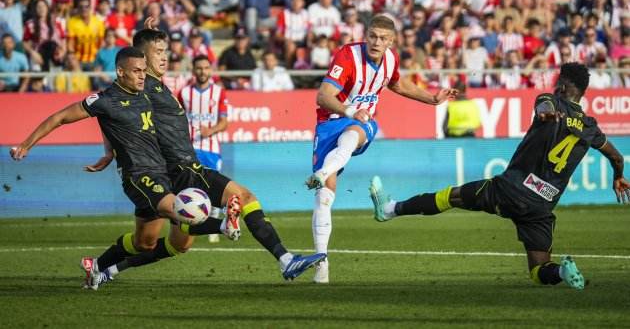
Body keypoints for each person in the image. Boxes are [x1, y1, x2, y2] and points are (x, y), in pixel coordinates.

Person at [81, 27, 326, 288]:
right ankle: (284, 259)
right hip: (178, 169)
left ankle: (105, 269)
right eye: (159, 52)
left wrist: (109, 149)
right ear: (141, 57)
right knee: (242, 198)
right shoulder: (140, 87)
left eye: (166, 51)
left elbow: (113, 113)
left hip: (186, 165)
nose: (166, 57)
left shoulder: (155, 85)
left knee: (170, 243)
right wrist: (111, 150)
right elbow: (109, 109)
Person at [369, 62, 630, 290]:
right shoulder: (590, 127)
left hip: (511, 190)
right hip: (541, 207)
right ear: (583, 92)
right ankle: (561, 271)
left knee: (451, 196)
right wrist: (618, 177)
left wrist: (544, 114)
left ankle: (390, 209)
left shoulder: (551, 101)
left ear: (561, 85)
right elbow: (617, 157)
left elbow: (544, 105)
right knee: (538, 271)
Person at [10, 47, 184, 289]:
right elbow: (59, 117)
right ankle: (220, 222)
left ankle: (96, 266)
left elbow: (114, 124)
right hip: (139, 176)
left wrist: (108, 151)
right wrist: (26, 145)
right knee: (184, 211)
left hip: (161, 171)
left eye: (144, 71)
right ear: (120, 71)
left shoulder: (144, 93)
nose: (143, 75)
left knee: (145, 243)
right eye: (137, 71)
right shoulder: (105, 100)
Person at [305, 15, 457, 283]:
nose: (376, 42)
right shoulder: (348, 56)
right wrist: (351, 110)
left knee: (354, 134)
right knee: (324, 197)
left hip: (361, 123)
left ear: (392, 41)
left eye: (383, 38)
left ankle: (325, 170)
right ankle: (322, 265)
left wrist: (431, 99)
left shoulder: (390, 60)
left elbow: (398, 84)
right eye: (372, 36)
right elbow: (323, 96)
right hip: (330, 122)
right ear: (366, 34)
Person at [180, 55, 228, 171]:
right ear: (193, 70)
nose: (203, 72)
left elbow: (224, 123)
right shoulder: (184, 93)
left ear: (210, 70)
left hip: (212, 150)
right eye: (199, 68)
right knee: (190, 187)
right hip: (190, 150)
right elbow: (177, 121)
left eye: (206, 68)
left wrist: (210, 131)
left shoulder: (219, 92)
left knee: (212, 187)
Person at [67, 0, 106, 69]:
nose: (83, 9)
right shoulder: (72, 22)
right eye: (81, 7)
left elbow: (101, 43)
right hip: (78, 60)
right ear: (77, 8)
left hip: (95, 60)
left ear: (90, 7)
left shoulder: (98, 22)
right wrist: (73, 59)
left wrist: (100, 60)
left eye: (86, 6)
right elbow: (70, 44)